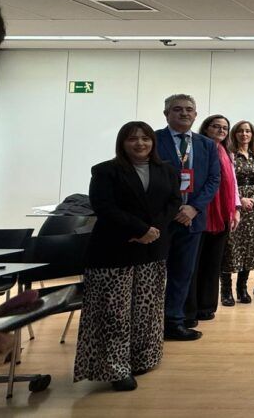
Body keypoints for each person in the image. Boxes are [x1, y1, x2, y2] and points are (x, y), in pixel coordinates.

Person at [76, 122, 181, 391]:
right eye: (132, 139)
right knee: (113, 313)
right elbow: (104, 206)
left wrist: (152, 230)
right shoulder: (105, 171)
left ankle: (143, 358)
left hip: (152, 248)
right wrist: (139, 229)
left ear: (153, 142)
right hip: (114, 249)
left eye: (145, 138)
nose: (140, 143)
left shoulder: (167, 170)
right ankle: (115, 368)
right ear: (122, 143)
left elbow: (173, 202)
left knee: (147, 311)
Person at [156, 94, 220, 342]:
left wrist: (194, 208)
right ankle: (149, 323)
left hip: (192, 220)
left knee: (182, 273)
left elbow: (213, 179)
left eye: (189, 109)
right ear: (166, 114)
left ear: (195, 115)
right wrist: (172, 210)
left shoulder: (206, 145)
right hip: (160, 221)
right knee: (154, 275)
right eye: (177, 109)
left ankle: (173, 322)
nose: (184, 113)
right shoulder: (153, 139)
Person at [185, 115, 240, 323]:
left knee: (213, 262)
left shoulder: (227, 152)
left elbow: (233, 183)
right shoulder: (198, 149)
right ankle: (190, 309)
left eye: (225, 127)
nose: (221, 130)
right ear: (206, 128)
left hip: (223, 213)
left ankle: (206, 306)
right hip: (201, 211)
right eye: (216, 126)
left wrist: (235, 209)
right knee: (195, 263)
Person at [224, 120, 254, 305]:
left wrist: (253, 198)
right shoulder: (229, 154)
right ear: (234, 134)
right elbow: (226, 181)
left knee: (249, 248)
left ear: (252, 134)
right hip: (233, 206)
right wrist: (241, 199)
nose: (244, 134)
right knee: (230, 248)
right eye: (240, 131)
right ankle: (226, 291)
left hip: (253, 209)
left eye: (248, 131)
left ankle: (242, 288)